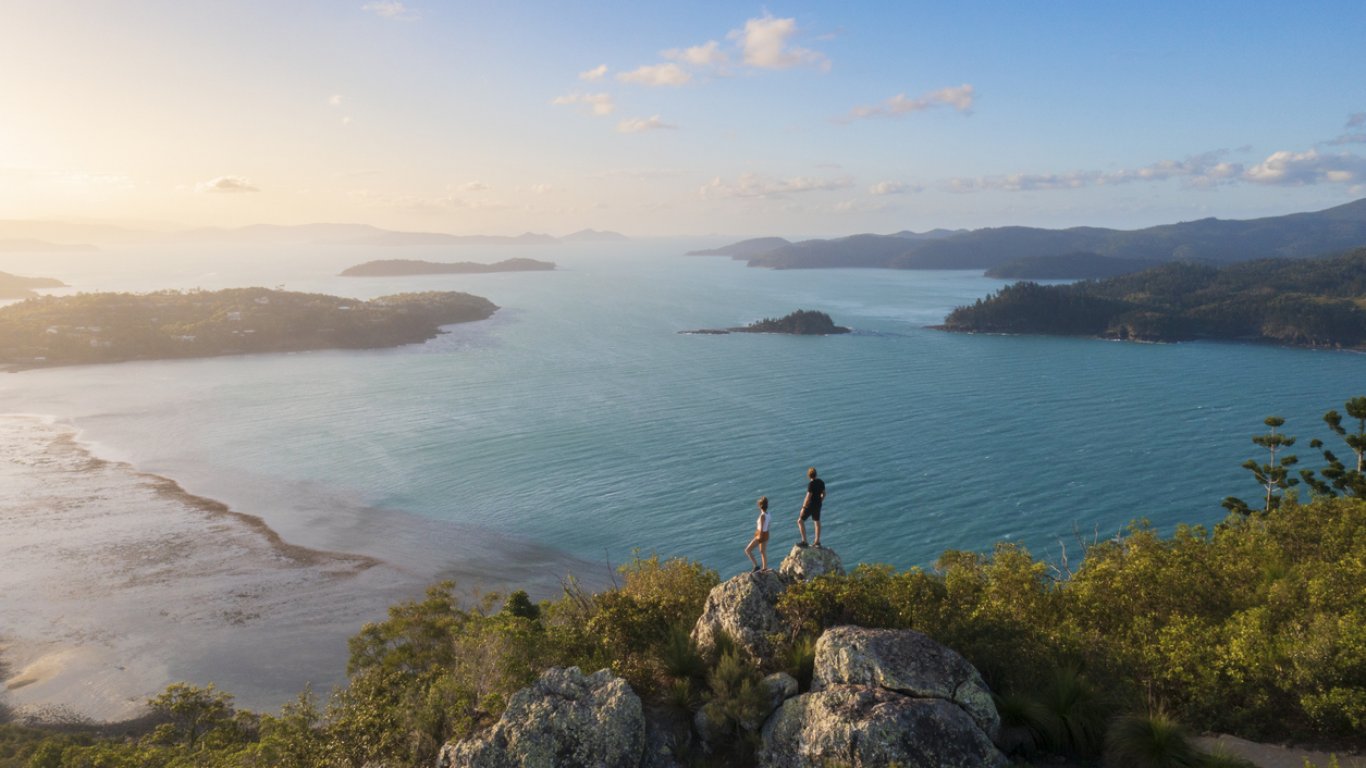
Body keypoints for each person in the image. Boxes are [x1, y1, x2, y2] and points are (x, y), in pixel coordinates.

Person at [797, 467, 826, 548]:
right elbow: (824, 494)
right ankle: (817, 541)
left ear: (809, 476)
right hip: (818, 504)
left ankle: (804, 541)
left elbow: (808, 497)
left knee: (800, 521)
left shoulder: (811, 484)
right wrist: (820, 500)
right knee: (817, 522)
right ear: (816, 474)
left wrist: (803, 507)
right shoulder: (821, 482)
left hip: (811, 505)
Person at [745, 496, 771, 572]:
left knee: (748, 550)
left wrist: (759, 537)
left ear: (760, 506)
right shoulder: (768, 514)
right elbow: (768, 525)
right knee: (763, 552)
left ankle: (756, 566)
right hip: (766, 534)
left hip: (761, 535)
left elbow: (762, 528)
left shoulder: (762, 516)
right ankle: (765, 568)